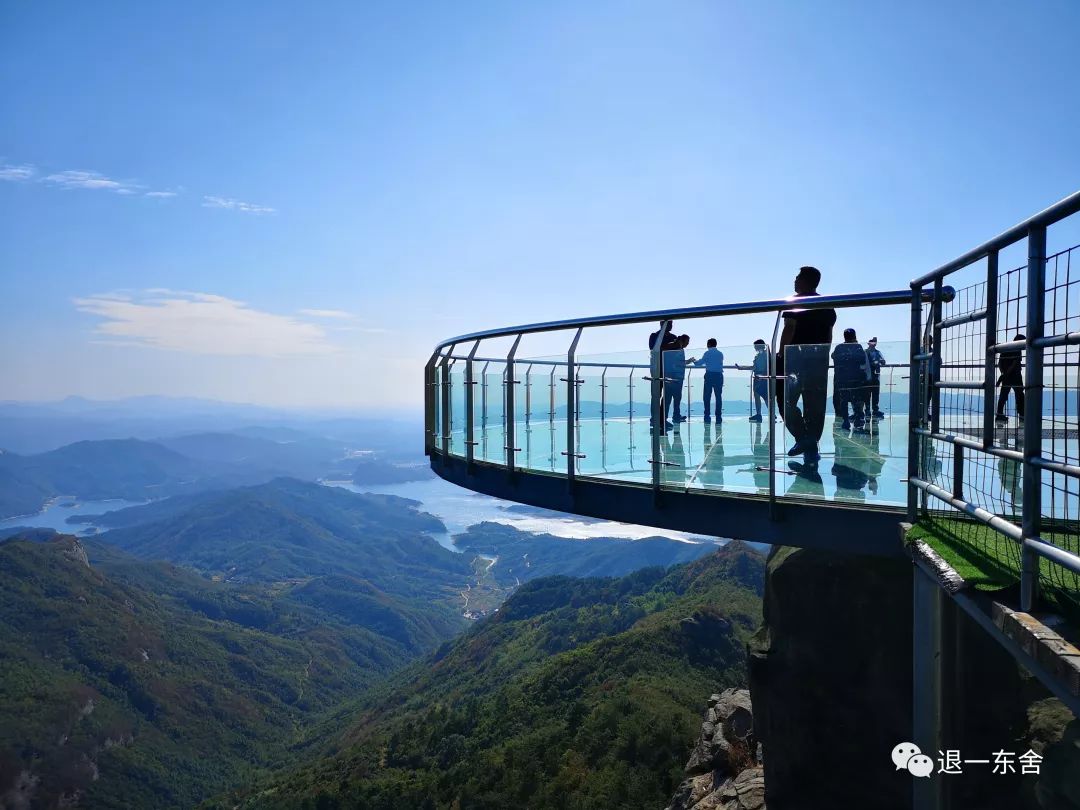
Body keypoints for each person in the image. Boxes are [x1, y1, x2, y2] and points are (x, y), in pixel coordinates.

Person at [777, 266, 836, 462]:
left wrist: (781, 354)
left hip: (795, 358)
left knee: (785, 400)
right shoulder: (827, 305)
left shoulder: (795, 302)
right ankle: (810, 444)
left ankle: (803, 438)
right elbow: (828, 335)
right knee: (815, 405)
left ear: (807, 281)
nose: (794, 280)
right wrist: (824, 355)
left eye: (798, 277)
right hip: (818, 359)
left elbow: (789, 329)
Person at [832, 328, 869, 431]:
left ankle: (845, 420)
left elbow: (833, 356)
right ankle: (857, 418)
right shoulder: (857, 347)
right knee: (856, 399)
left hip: (842, 378)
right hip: (855, 378)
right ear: (854, 336)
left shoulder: (839, 347)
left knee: (843, 400)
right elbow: (862, 360)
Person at [648, 321, 679, 430]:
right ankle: (654, 419)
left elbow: (677, 352)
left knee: (667, 397)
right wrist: (671, 345)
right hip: (657, 369)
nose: (671, 326)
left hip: (669, 370)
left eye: (671, 324)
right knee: (656, 395)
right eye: (669, 323)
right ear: (663, 324)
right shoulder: (654, 336)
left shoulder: (674, 337)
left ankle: (663, 419)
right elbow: (654, 348)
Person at [689, 338, 724, 423]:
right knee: (718, 396)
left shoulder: (707, 353)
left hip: (710, 375)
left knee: (707, 396)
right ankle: (718, 416)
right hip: (719, 375)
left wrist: (694, 360)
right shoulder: (720, 354)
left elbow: (699, 363)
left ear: (708, 344)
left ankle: (707, 415)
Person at [736, 339, 770, 422]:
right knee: (757, 396)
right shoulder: (759, 356)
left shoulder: (766, 355)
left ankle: (771, 414)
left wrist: (763, 376)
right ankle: (759, 414)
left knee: (765, 396)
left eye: (755, 346)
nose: (754, 348)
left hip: (763, 378)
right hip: (757, 377)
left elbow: (768, 366)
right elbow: (754, 367)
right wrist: (741, 368)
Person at [995, 333, 1025, 425]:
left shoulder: (1005, 347)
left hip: (1006, 376)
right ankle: (1022, 414)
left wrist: (1003, 374)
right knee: (1019, 395)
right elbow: (1015, 363)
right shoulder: (1017, 348)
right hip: (1015, 375)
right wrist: (1008, 372)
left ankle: (999, 414)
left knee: (1003, 395)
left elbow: (1000, 363)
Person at [664, 334, 690, 424]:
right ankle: (674, 416)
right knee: (676, 397)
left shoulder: (672, 346)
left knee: (669, 397)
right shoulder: (677, 348)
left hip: (669, 375)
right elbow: (676, 363)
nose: (688, 344)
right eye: (687, 342)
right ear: (683, 341)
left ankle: (667, 416)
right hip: (676, 376)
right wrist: (687, 362)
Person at [865, 337, 887, 418]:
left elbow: (883, 362)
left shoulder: (878, 352)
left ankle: (875, 410)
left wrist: (880, 361)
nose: (874, 344)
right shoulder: (865, 352)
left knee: (875, 393)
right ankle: (867, 410)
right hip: (867, 376)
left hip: (875, 375)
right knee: (867, 394)